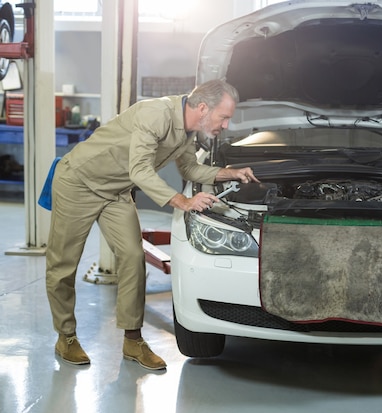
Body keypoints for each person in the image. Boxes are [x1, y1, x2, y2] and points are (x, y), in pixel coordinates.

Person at [46, 79, 258, 370]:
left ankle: (133, 340)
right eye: (224, 117)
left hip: (115, 191)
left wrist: (230, 173)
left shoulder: (187, 132)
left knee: (133, 258)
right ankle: (65, 337)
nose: (226, 125)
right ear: (203, 108)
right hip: (79, 182)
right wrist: (181, 202)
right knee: (63, 264)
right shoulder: (156, 114)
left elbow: (190, 168)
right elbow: (140, 169)